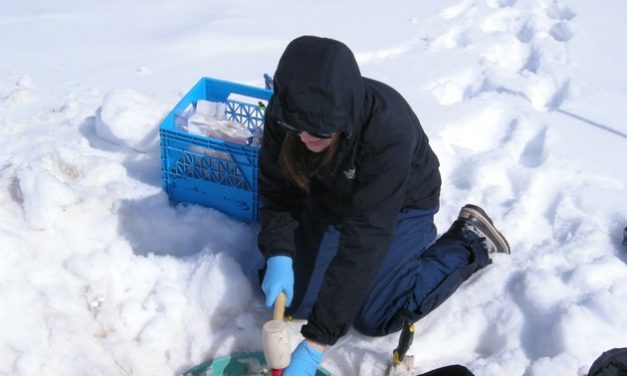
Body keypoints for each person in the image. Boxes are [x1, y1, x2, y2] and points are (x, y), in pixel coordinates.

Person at [257, 35, 511, 376]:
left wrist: (317, 342)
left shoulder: (387, 129)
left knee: (376, 313)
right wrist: (279, 255)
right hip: (333, 198)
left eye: (319, 131)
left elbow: (366, 238)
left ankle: (469, 241)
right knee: (296, 300)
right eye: (297, 129)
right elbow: (278, 193)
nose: (304, 137)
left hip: (400, 205)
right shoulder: (283, 112)